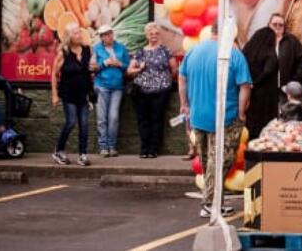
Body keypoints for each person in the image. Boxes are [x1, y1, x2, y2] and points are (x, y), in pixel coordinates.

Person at [179, 31, 253, 219]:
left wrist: (184, 103)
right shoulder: (233, 54)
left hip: (198, 115)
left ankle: (214, 202)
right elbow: (245, 86)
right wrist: (242, 112)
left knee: (207, 161)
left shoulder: (193, 51)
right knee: (220, 161)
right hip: (225, 117)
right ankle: (210, 204)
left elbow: (182, 78)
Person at [243, 12, 302, 137]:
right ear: (268, 25)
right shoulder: (261, 40)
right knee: (265, 119)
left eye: (280, 25)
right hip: (263, 90)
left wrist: (293, 83)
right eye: (274, 24)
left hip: (284, 90)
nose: (277, 27)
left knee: (283, 123)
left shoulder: (291, 42)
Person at [128, 22, 177, 158]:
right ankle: (145, 148)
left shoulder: (165, 51)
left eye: (156, 33)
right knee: (143, 120)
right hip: (141, 91)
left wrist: (164, 80)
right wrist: (140, 69)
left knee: (157, 119)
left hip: (160, 91)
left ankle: (154, 149)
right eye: (151, 34)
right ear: (147, 35)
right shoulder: (140, 52)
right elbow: (129, 71)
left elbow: (174, 69)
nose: (154, 36)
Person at [52, 24, 93, 166]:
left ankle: (83, 154)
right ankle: (58, 150)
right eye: (76, 33)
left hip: (84, 94)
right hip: (68, 94)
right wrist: (54, 94)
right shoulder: (64, 52)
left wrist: (94, 68)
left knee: (84, 125)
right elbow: (54, 74)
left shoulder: (87, 50)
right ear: (69, 37)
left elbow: (91, 67)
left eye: (79, 32)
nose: (79, 35)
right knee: (71, 122)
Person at [90, 24, 129, 158]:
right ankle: (103, 147)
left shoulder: (121, 48)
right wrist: (104, 64)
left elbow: (128, 67)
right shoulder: (96, 49)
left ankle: (112, 146)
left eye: (110, 33)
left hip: (117, 87)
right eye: (106, 34)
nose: (109, 36)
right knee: (102, 118)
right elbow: (92, 68)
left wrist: (120, 64)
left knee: (113, 117)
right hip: (101, 86)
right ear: (101, 37)